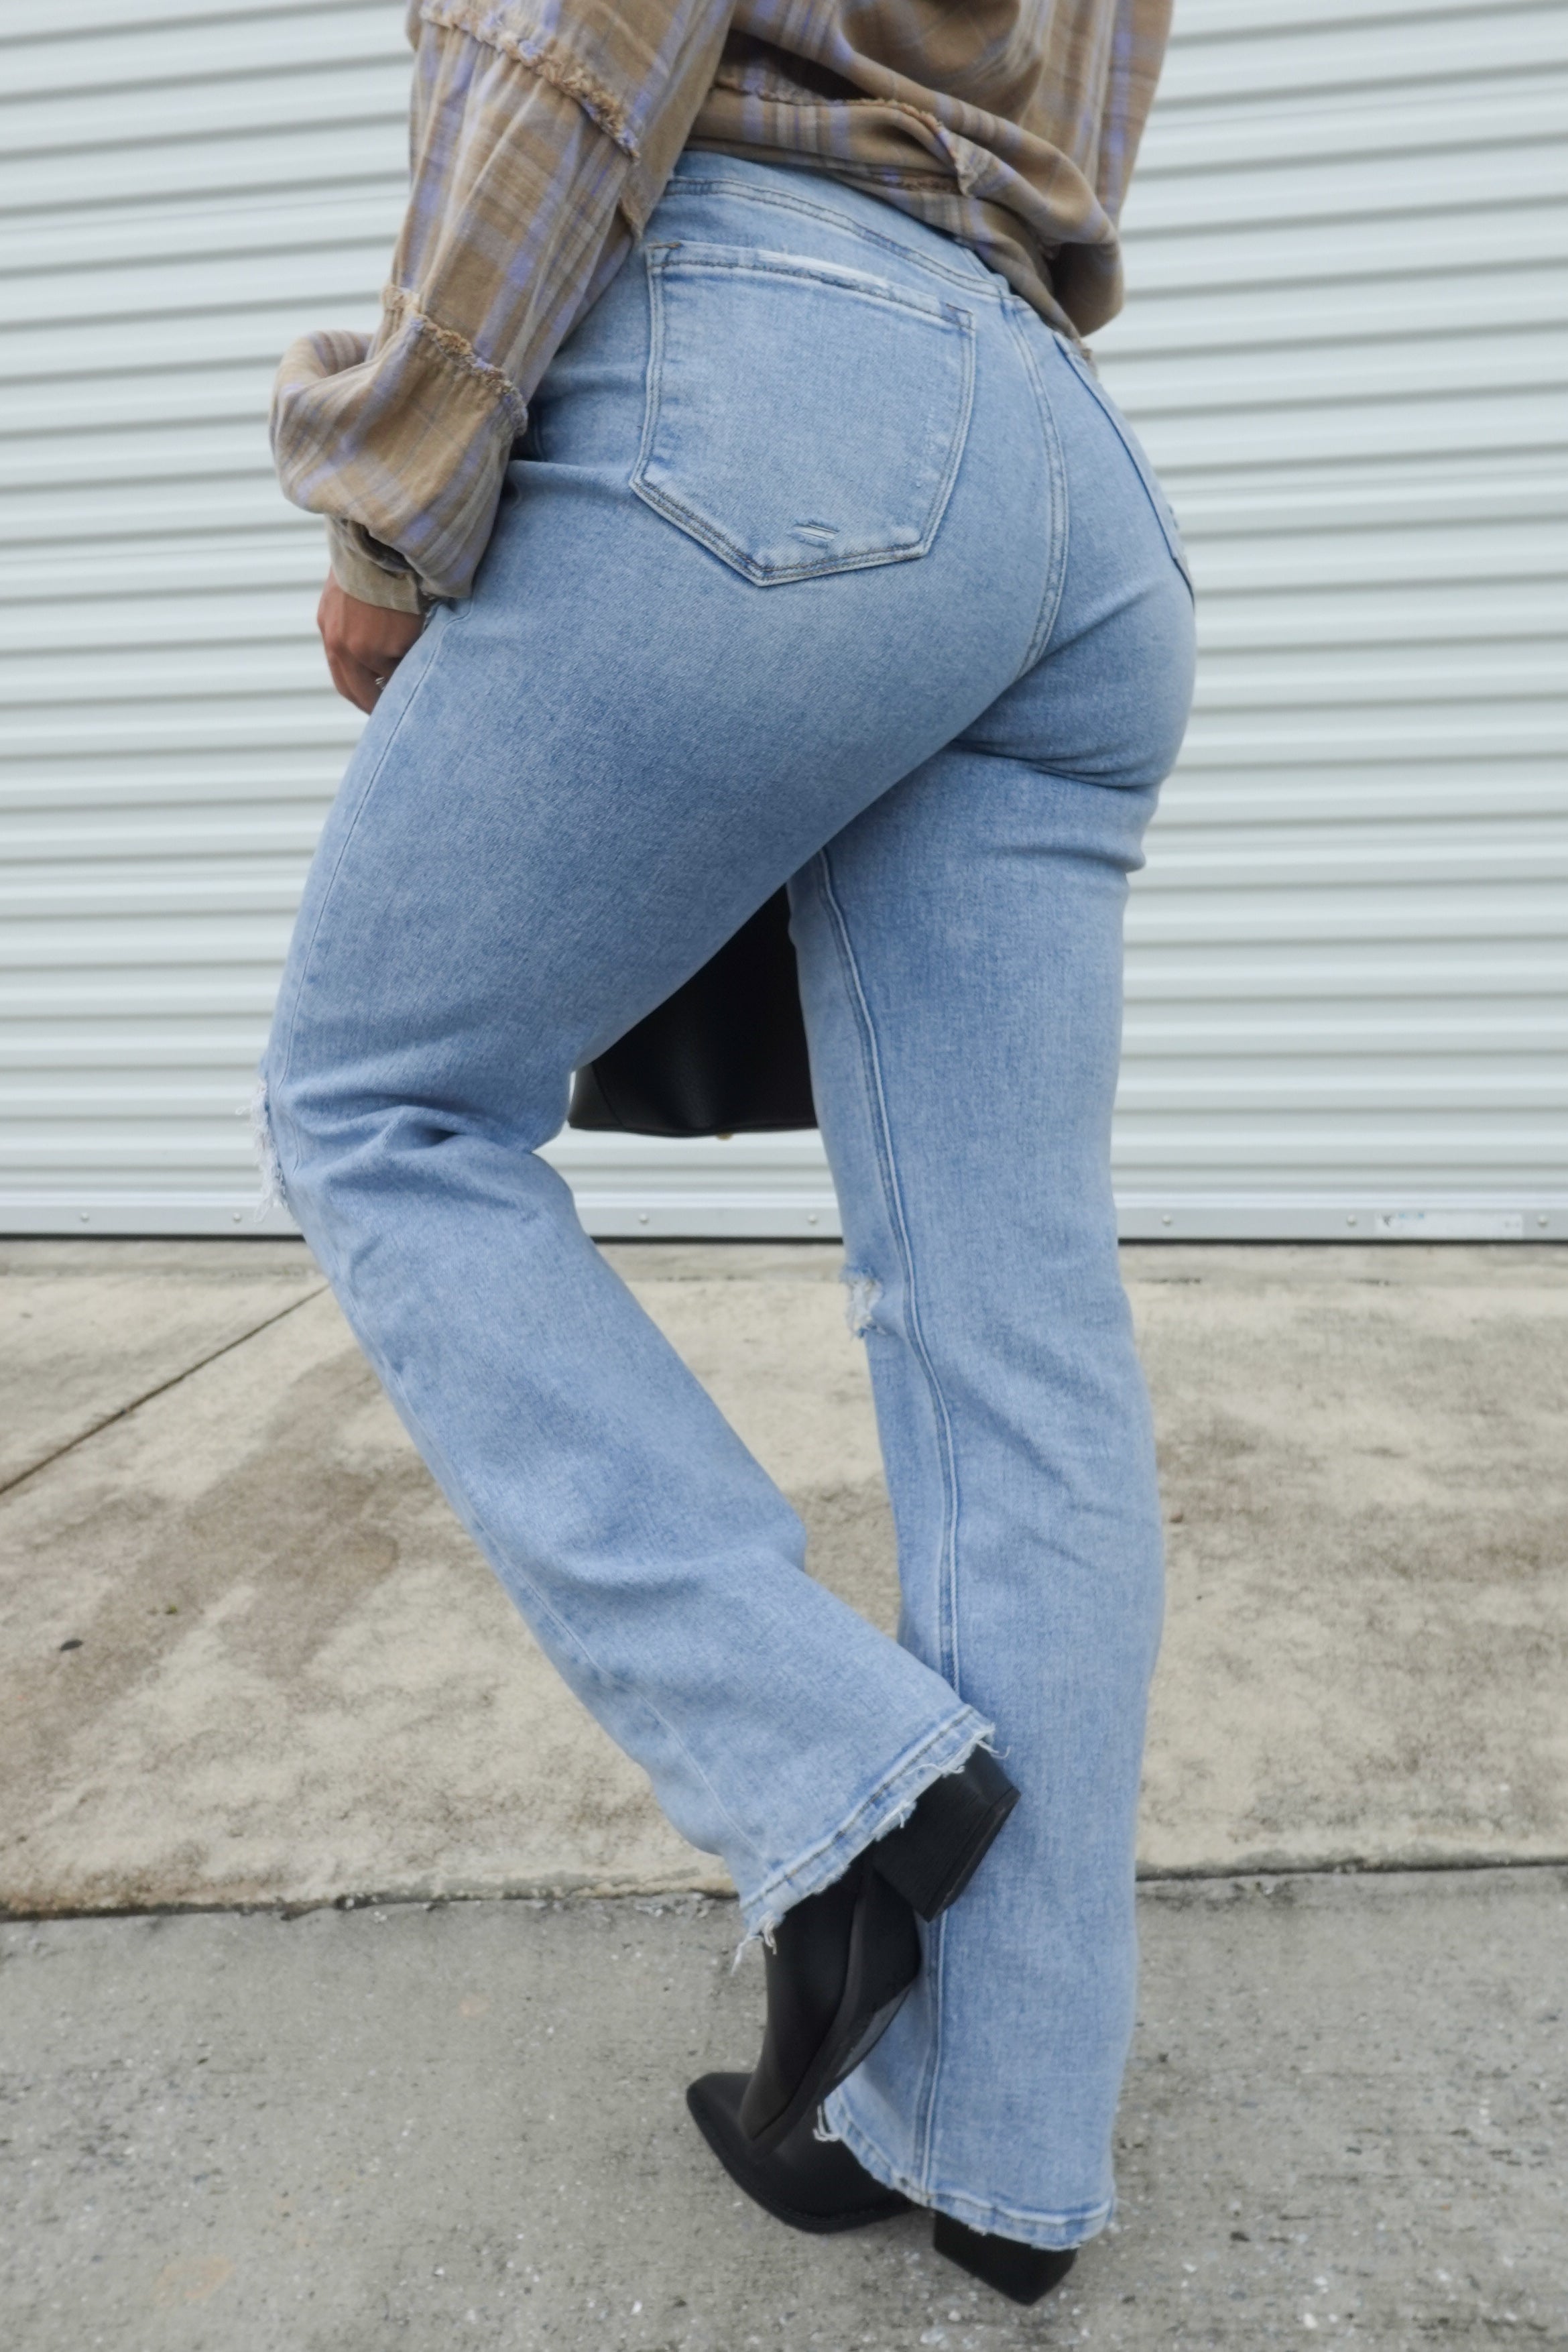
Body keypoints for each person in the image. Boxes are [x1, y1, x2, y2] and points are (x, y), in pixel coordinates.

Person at [260, 0, 1191, 2308]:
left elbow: (569, 33)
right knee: (1009, 1320)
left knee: (379, 1103)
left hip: (779, 382)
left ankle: (840, 1782)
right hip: (1067, 481)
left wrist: (403, 478)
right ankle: (1001, 2142)